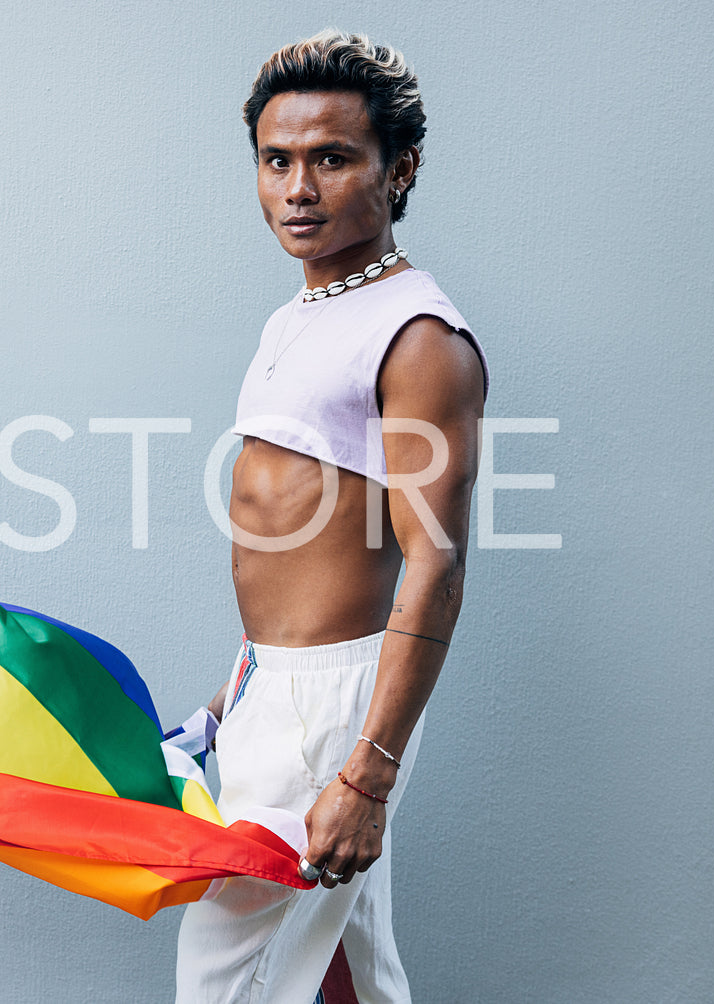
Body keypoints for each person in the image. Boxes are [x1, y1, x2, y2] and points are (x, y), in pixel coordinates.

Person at [174, 30, 489, 1003]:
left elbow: (430, 568)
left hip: (338, 704)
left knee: (225, 979)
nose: (297, 187)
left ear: (398, 170)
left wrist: (367, 774)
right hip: (275, 688)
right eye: (276, 160)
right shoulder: (294, 318)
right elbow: (292, 539)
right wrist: (231, 694)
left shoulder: (418, 338)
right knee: (341, 968)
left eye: (330, 158)